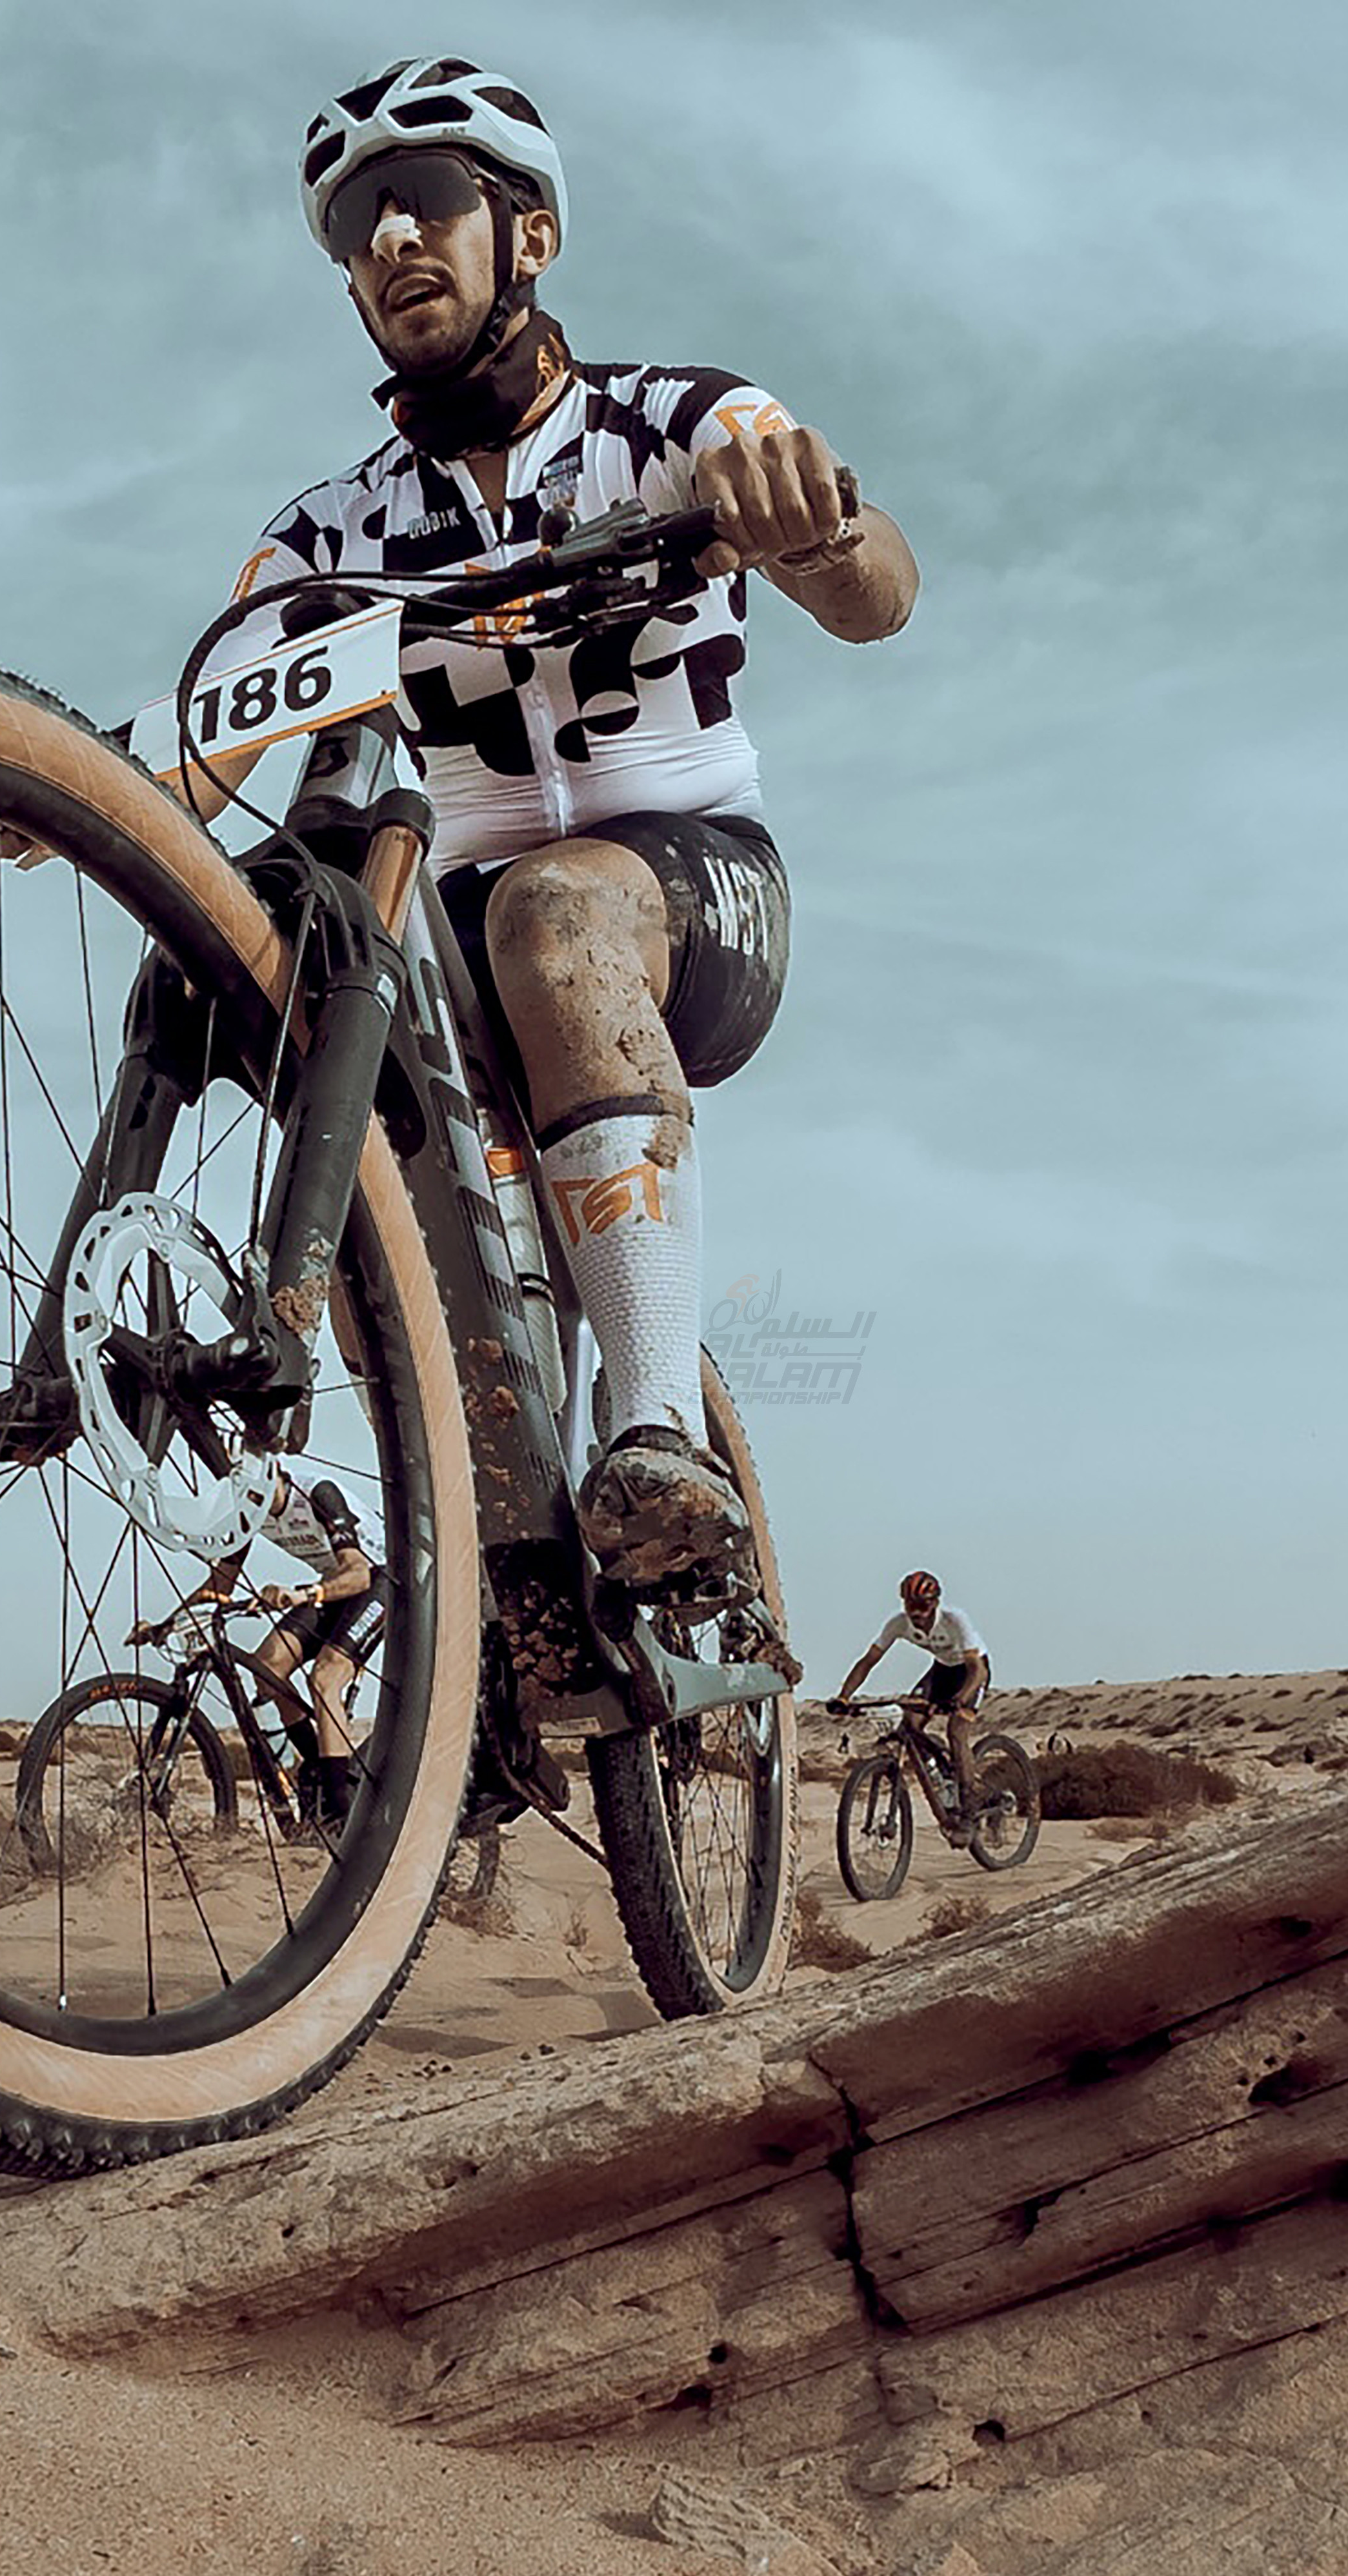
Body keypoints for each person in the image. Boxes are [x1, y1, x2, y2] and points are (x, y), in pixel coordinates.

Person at [244, 57, 916, 1584]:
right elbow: (219, 714)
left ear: (530, 235)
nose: (389, 240)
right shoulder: (324, 529)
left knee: (551, 908)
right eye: (355, 225)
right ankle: (473, 1577)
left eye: (424, 200)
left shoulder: (674, 416)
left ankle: (657, 1432)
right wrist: (46, 792)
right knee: (337, 1043)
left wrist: (816, 530)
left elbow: (879, 594)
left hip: (687, 889)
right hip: (450, 946)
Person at [188, 1464, 378, 1832]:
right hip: (333, 1585)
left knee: (325, 1677)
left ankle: (339, 1806)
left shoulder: (318, 1494)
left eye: (257, 1488)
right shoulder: (251, 1512)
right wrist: (169, 1622)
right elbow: (219, 1586)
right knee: (267, 1667)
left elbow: (358, 1574)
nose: (251, 1499)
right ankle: (320, 1767)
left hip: (378, 1579)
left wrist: (303, 1594)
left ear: (275, 1470)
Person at [832, 1570, 987, 1792]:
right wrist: (844, 1698)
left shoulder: (954, 1620)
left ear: (935, 1603)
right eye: (910, 1606)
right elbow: (868, 1661)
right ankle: (941, 1772)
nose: (917, 1613)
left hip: (972, 1671)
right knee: (910, 1725)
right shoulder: (899, 1624)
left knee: (956, 1731)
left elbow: (977, 1669)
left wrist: (960, 1699)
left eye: (923, 1606)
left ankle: (971, 1794)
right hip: (942, 1669)